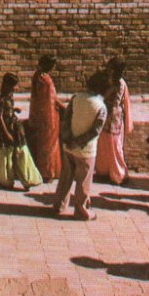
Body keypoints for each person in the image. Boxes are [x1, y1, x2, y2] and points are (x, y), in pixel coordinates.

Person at [53, 71, 110, 221]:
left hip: (68, 147)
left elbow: (66, 118)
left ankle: (59, 205)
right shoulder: (101, 107)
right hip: (86, 151)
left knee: (66, 177)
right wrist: (78, 142)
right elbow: (95, 131)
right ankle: (81, 210)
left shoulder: (76, 98)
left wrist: (68, 139)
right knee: (83, 181)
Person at [0, 73, 43, 190]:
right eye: (13, 86)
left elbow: (8, 111)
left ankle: (28, 180)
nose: (15, 88)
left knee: (22, 153)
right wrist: (6, 134)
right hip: (6, 129)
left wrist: (14, 110)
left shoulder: (9, 96)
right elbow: (0, 117)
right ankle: (5, 181)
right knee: (6, 155)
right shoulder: (0, 99)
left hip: (15, 128)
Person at [95, 57, 133, 185]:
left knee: (115, 146)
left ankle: (119, 174)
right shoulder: (108, 80)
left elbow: (115, 101)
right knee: (104, 144)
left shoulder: (120, 83)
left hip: (114, 118)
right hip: (105, 117)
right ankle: (104, 171)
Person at [29, 54, 65, 182]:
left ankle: (45, 170)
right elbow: (52, 99)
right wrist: (64, 107)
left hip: (40, 114)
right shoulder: (46, 80)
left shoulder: (37, 75)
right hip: (49, 116)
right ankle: (48, 172)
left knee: (43, 144)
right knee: (49, 145)